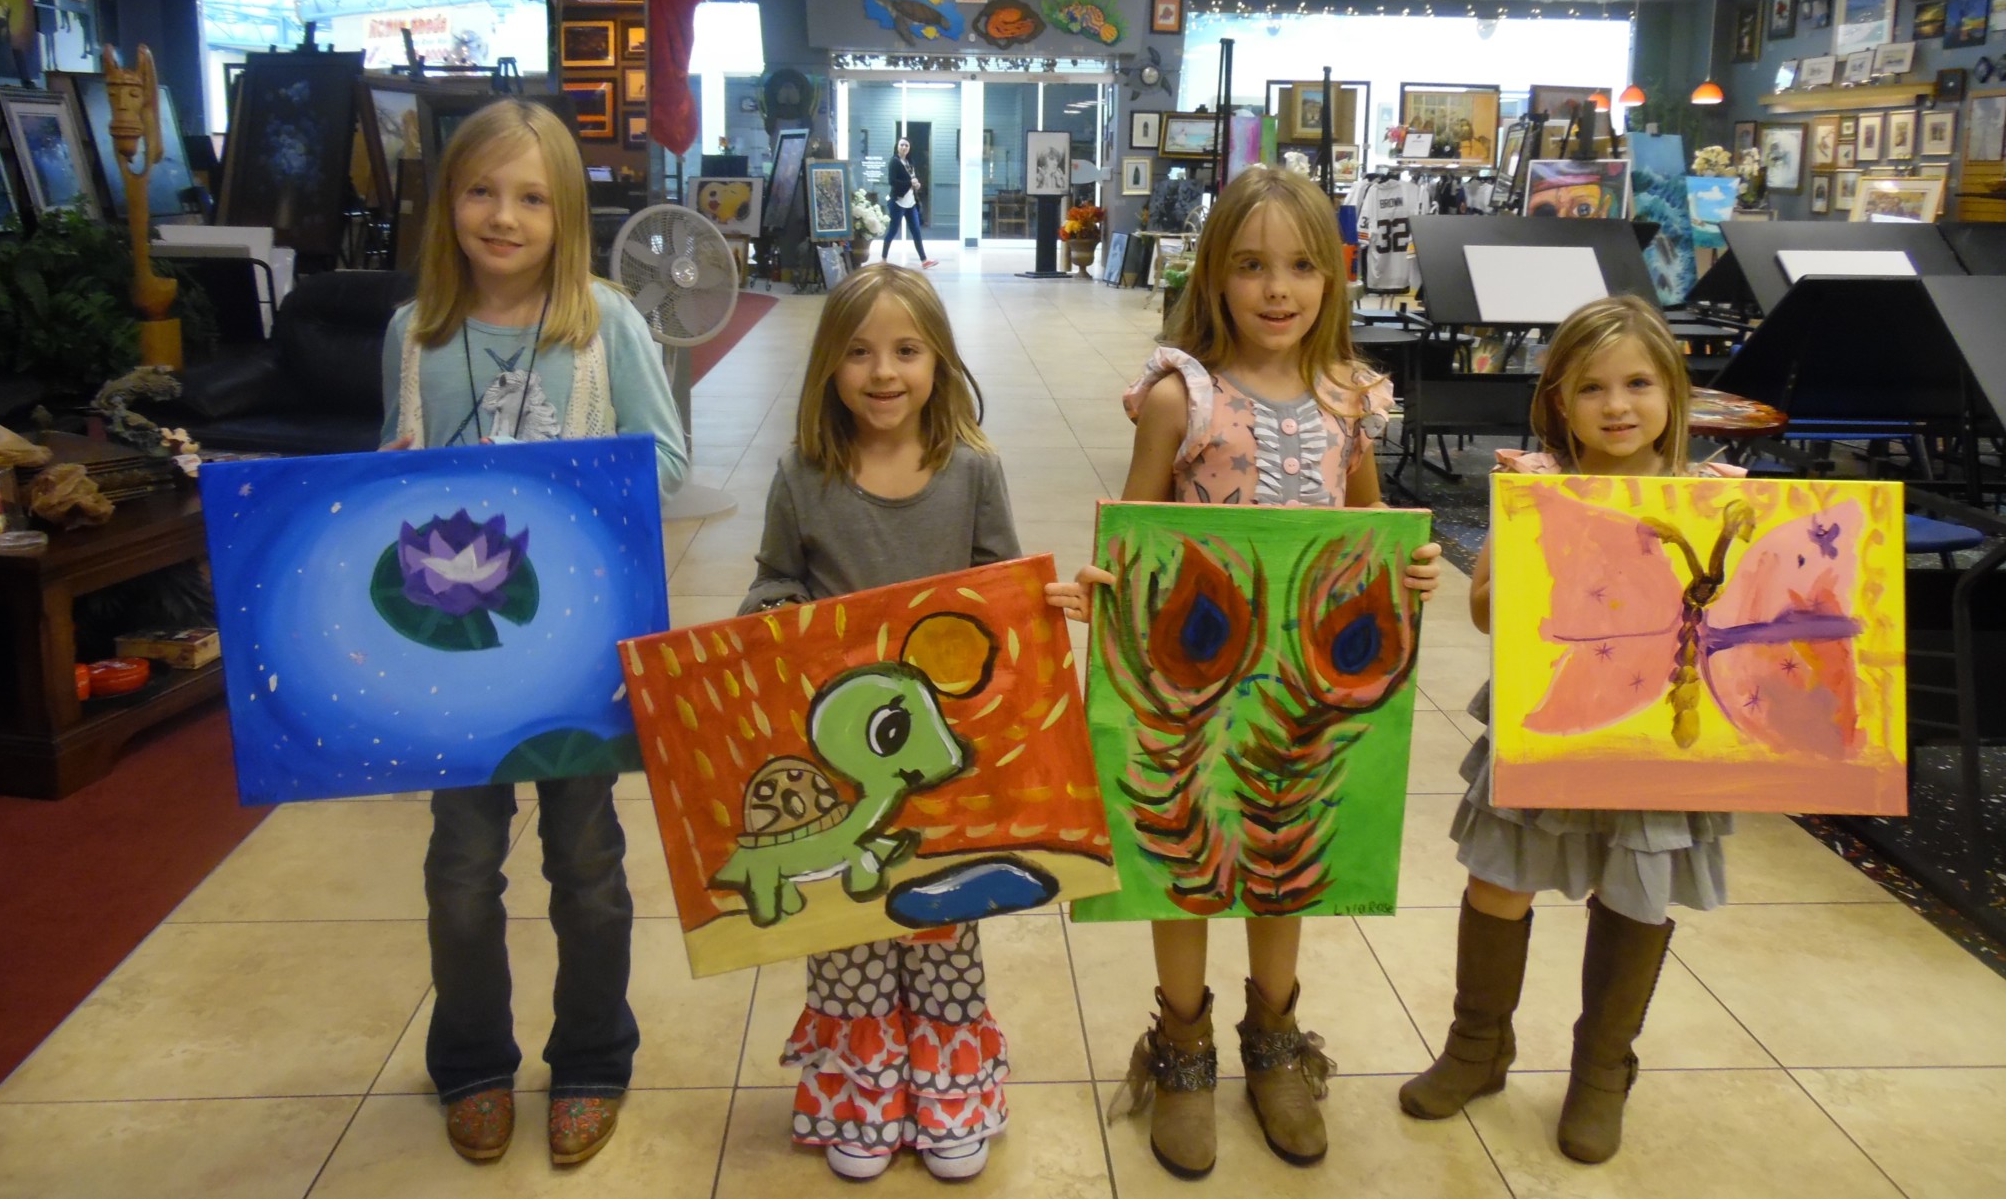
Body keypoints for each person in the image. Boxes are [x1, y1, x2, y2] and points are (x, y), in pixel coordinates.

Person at [1047, 165, 1444, 1178]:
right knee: (1183, 852)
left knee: (1280, 849)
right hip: (1192, 680)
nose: (1277, 288)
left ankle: (1274, 1040)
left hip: (1304, 686)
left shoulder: (1349, 399)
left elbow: (1367, 527)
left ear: (1332, 278)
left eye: (1302, 266)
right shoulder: (1179, 396)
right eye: (1252, 265)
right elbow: (1135, 533)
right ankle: (1181, 1046)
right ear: (1214, 274)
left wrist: (1410, 567)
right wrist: (1099, 584)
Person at [378, 97, 688, 1167]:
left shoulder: (607, 325)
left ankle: (594, 1055)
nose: (502, 217)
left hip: (571, 653)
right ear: (447, 203)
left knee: (586, 860)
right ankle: (470, 1059)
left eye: (530, 197)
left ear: (566, 216)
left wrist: (559, 486)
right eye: (480, 191)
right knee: (460, 868)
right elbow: (387, 474)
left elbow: (666, 461)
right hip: (455, 657)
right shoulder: (415, 335)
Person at [1398, 294, 1735, 1165]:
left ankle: (1601, 1070)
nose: (1616, 405)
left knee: (1635, 889)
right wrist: (1531, 544)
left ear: (1674, 393)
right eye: (1591, 387)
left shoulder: (1715, 496)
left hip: (1658, 736)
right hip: (1549, 715)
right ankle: (1478, 1046)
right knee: (1498, 879)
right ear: (1558, 401)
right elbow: (1484, 612)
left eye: (1638, 384)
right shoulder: (1533, 483)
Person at [739, 263, 1014, 1182]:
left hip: (941, 759)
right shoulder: (802, 474)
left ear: (940, 362)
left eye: (906, 350)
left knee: (943, 925)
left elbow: (1001, 591)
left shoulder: (972, 470)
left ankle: (950, 1094)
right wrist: (774, 616)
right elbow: (773, 575)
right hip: (838, 761)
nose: (883, 371)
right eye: (858, 352)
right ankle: (863, 1094)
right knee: (846, 928)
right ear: (829, 364)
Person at [882, 137, 936, 267]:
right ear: (897, 146)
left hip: (911, 203)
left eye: (906, 145)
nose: (904, 147)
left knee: (916, 231)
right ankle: (883, 259)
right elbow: (892, 181)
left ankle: (924, 260)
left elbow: (912, 179)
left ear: (909, 148)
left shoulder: (909, 162)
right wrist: (909, 183)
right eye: (902, 145)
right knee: (893, 231)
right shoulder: (894, 162)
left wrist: (916, 184)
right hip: (898, 202)